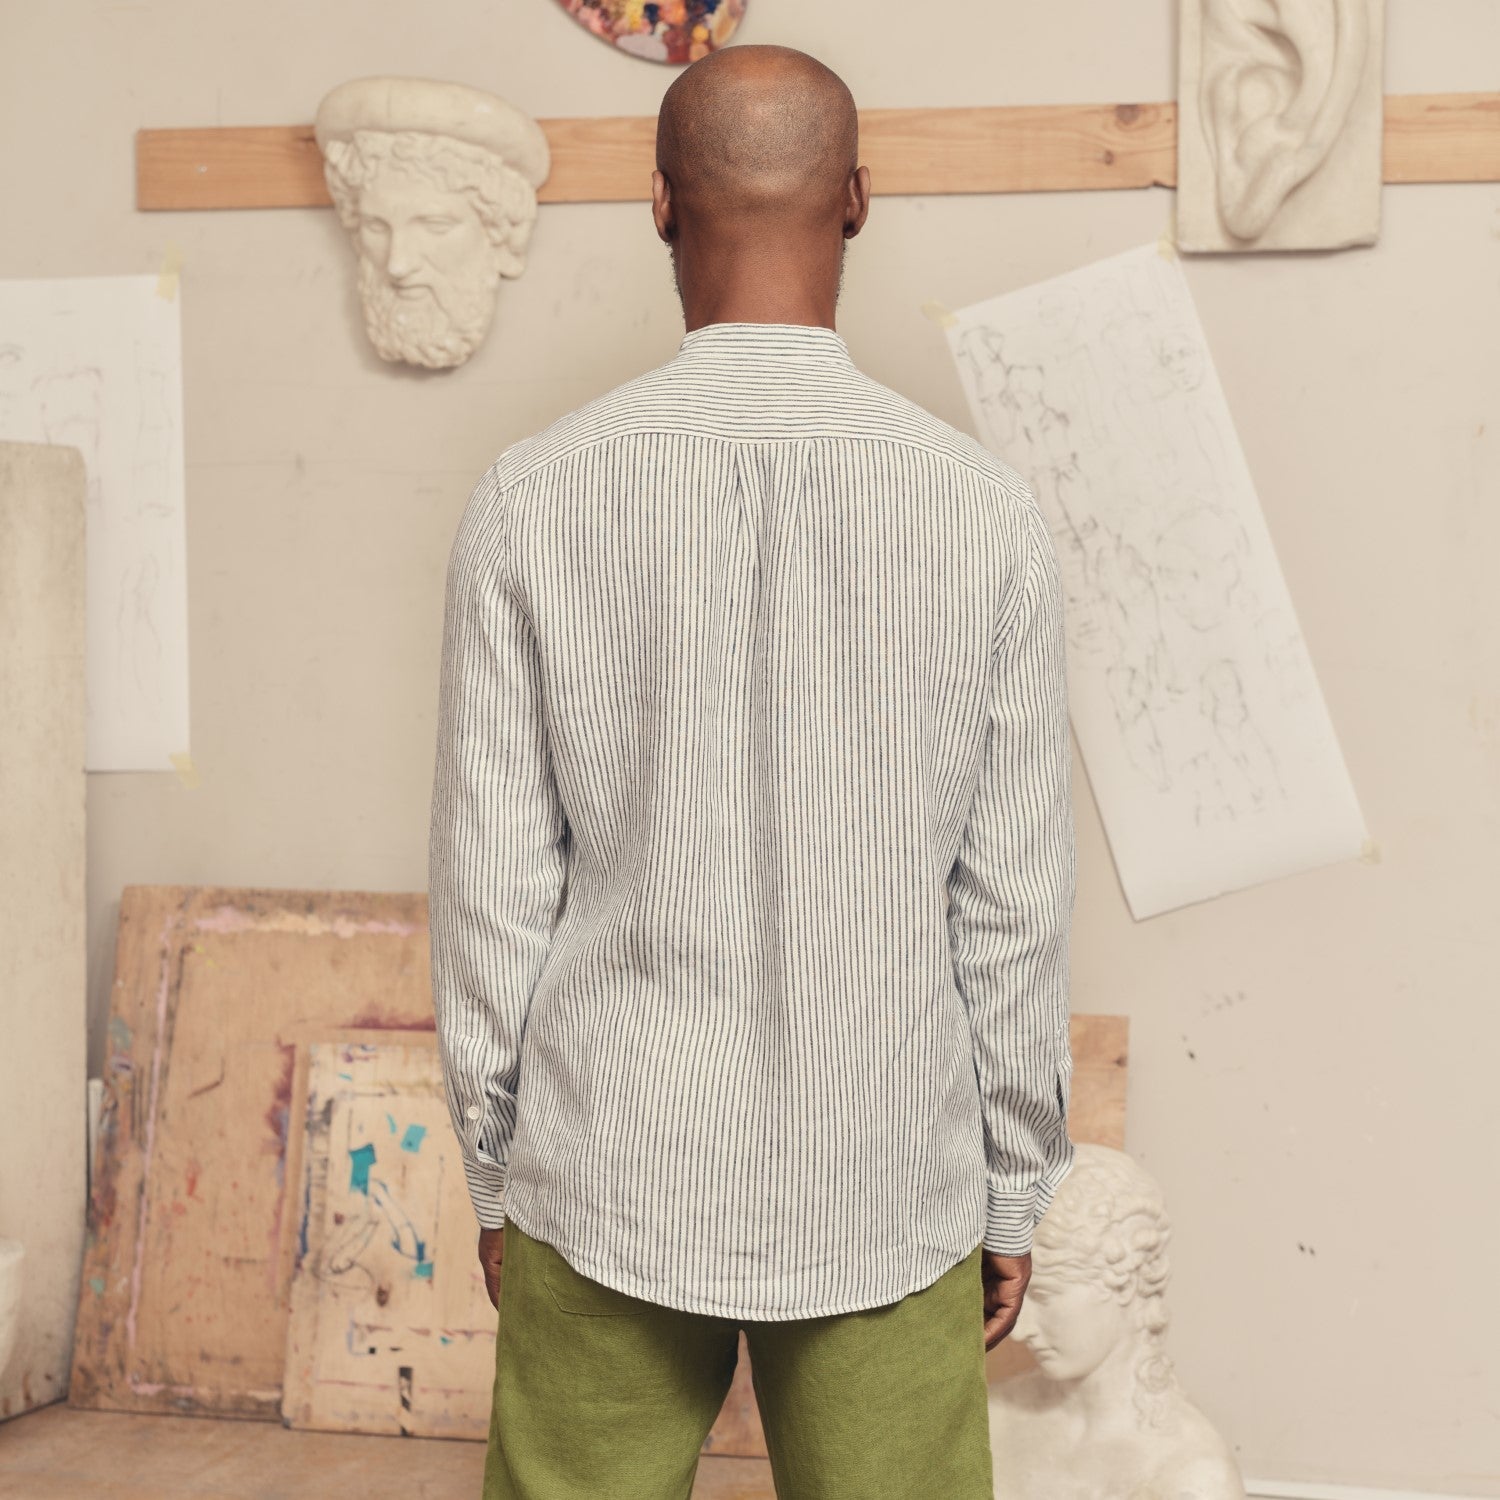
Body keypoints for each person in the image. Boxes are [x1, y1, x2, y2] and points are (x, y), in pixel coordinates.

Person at [428, 42, 1077, 1500]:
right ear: (857, 200)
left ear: (660, 206)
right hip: (886, 1167)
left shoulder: (534, 498)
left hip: (609, 1158)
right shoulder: (982, 512)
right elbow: (1013, 902)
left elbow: (493, 891)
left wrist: (497, 1167)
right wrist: (1013, 1182)